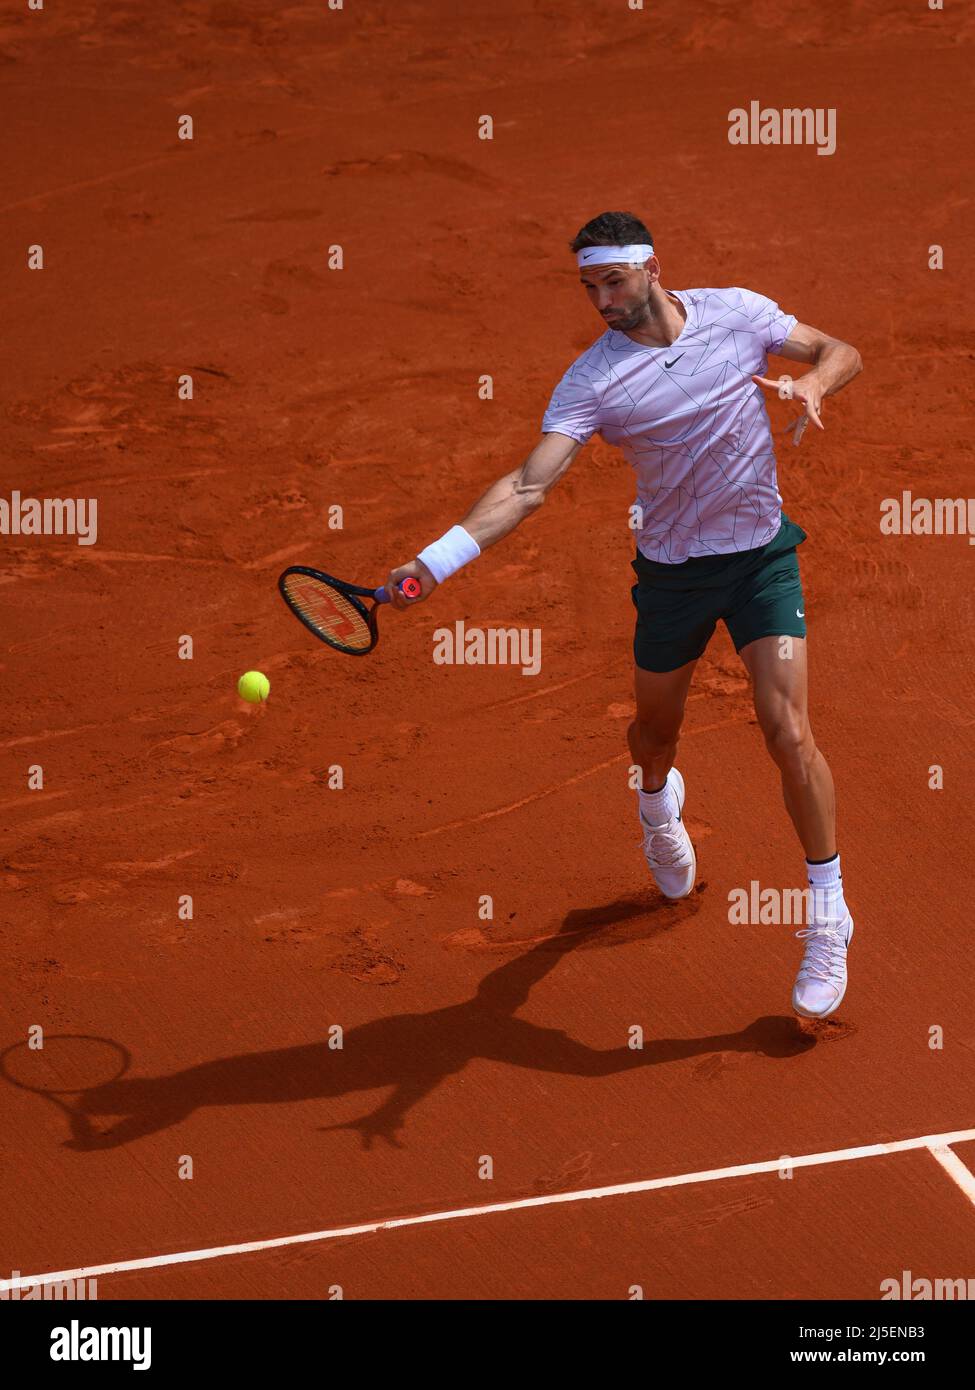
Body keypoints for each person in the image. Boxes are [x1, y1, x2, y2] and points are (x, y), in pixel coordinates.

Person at [384, 210, 863, 1020]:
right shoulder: (592, 381)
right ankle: (654, 803)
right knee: (655, 732)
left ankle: (828, 914)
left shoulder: (738, 314)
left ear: (649, 267)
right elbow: (529, 485)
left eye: (611, 281)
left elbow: (837, 349)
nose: (600, 300)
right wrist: (436, 561)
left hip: (758, 561)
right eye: (588, 287)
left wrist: (814, 380)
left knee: (787, 730)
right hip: (672, 577)